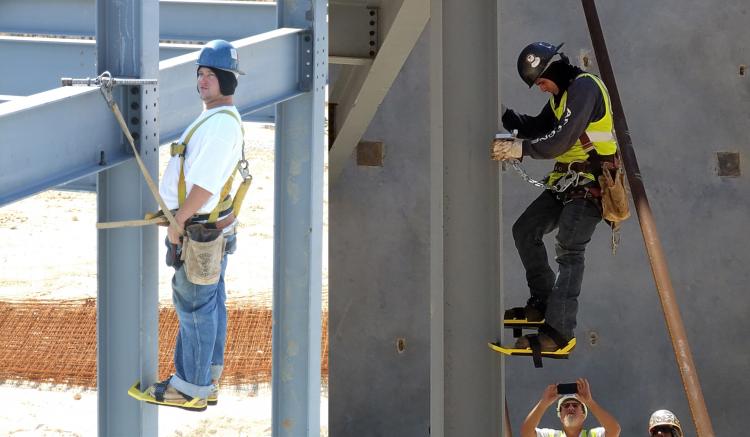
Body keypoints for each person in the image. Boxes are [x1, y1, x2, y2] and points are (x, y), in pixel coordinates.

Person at [490, 41, 619, 352]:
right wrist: (500, 112)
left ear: (552, 70)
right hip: (566, 182)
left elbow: (558, 141)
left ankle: (559, 333)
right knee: (525, 230)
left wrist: (520, 149)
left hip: (591, 182)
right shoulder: (563, 96)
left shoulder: (585, 89)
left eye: (540, 81)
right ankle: (544, 301)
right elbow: (537, 127)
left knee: (570, 249)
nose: (541, 88)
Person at [145, 39, 246, 411]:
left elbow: (203, 187)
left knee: (194, 306)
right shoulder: (218, 120)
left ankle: (190, 386)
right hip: (209, 226)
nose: (203, 81)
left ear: (227, 81)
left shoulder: (220, 127)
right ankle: (208, 378)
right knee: (211, 301)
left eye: (211, 75)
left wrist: (179, 221)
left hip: (198, 229)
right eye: (200, 74)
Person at [521, 378, 621, 437]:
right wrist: (544, 403)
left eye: (575, 405)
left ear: (583, 415)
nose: (570, 408)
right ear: (560, 416)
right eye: (565, 405)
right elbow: (526, 432)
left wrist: (590, 402)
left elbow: (614, 430)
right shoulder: (551, 435)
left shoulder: (593, 434)